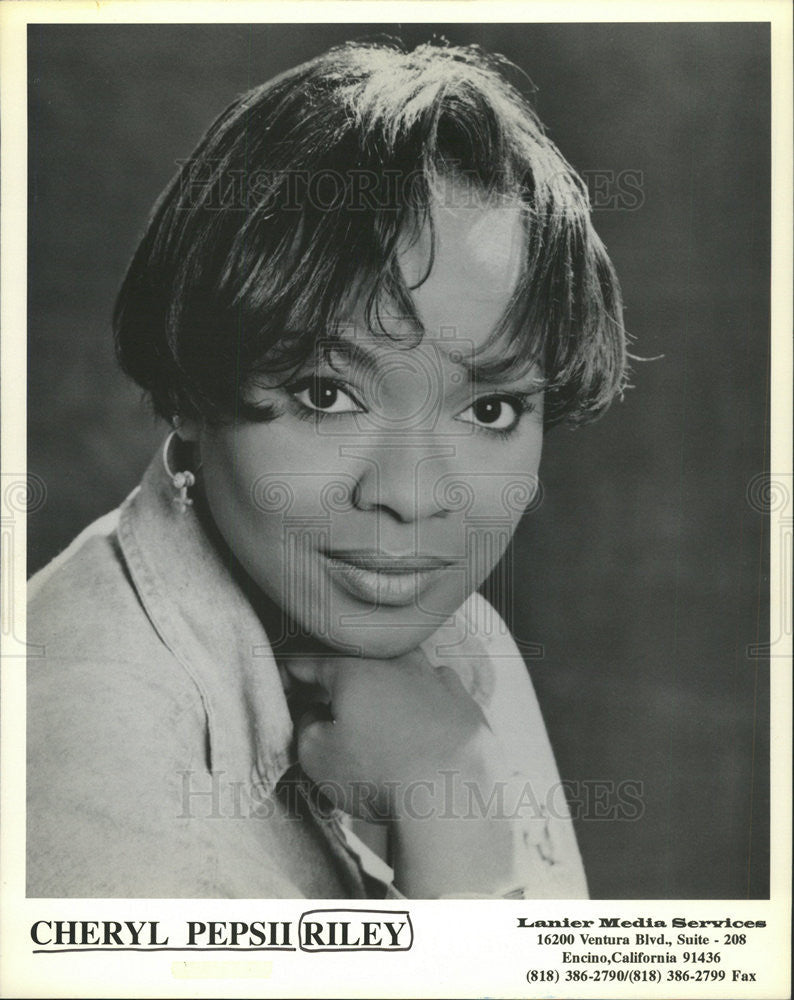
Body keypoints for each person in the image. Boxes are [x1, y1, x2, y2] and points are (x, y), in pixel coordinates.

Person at [27, 39, 627, 898]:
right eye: (325, 393)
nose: (411, 497)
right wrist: (453, 816)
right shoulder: (86, 766)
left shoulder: (456, 641)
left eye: (489, 409)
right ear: (191, 385)